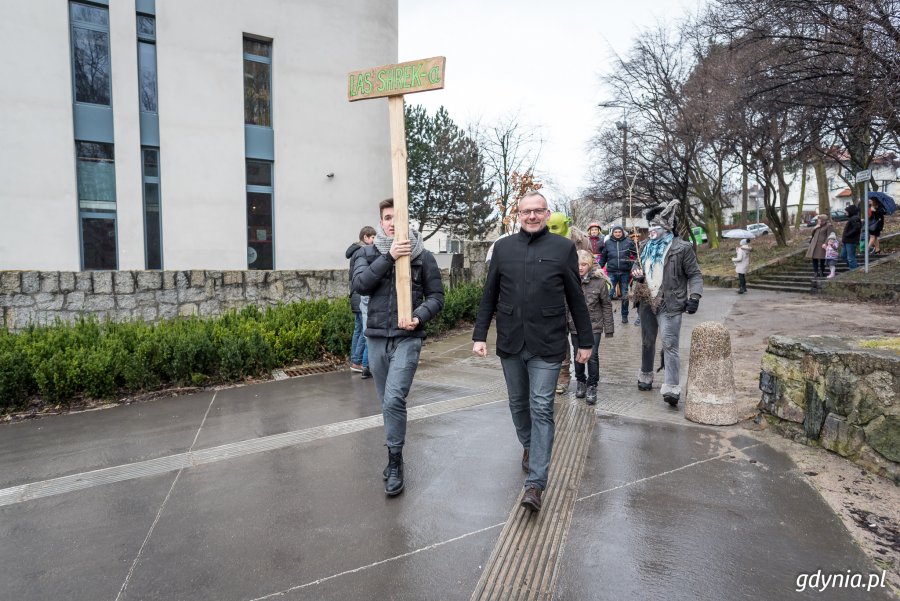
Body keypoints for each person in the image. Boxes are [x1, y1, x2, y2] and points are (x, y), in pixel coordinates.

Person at [472, 192, 593, 513]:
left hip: (548, 342)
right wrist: (480, 334)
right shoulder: (504, 247)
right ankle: (529, 446)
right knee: (517, 404)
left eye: (538, 211)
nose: (532, 216)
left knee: (541, 405)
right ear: (518, 214)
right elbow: (490, 294)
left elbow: (576, 297)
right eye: (526, 212)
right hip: (511, 340)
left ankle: (536, 483)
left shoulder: (564, 248)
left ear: (548, 213)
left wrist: (585, 340)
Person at [352, 198, 444, 497]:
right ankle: (395, 453)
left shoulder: (424, 257)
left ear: (407, 221)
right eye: (388, 217)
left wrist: (419, 316)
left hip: (408, 339)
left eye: (398, 217)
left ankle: (394, 463)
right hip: (376, 338)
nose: (393, 222)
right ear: (381, 222)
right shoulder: (365, 254)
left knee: (393, 399)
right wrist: (389, 256)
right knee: (387, 403)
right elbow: (361, 285)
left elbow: (437, 298)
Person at [630, 200, 703, 407]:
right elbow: (637, 265)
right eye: (650, 225)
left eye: (657, 226)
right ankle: (645, 374)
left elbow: (695, 275)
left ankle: (671, 387)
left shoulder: (682, 248)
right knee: (647, 341)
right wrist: (636, 272)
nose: (652, 229)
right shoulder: (643, 246)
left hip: (670, 303)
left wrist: (695, 296)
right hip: (646, 301)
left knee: (670, 344)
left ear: (668, 226)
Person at [545, 212, 591, 395]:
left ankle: (581, 377)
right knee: (558, 336)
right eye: (549, 228)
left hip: (576, 292)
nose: (551, 231)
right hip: (553, 294)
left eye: (554, 228)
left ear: (565, 224)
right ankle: (561, 376)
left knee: (577, 337)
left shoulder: (581, 240)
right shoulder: (544, 238)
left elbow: (590, 262)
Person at [568, 249, 614, 405]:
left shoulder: (599, 282)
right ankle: (580, 381)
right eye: (577, 264)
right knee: (578, 354)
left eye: (583, 264)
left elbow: (607, 306)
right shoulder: (569, 280)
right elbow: (564, 304)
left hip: (594, 325)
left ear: (589, 265)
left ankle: (592, 385)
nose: (580, 267)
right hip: (574, 325)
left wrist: (609, 328)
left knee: (592, 356)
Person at [346, 226, 376, 378]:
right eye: (372, 238)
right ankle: (364, 364)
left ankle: (355, 361)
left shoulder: (354, 252)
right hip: (361, 295)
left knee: (358, 330)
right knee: (366, 331)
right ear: (365, 237)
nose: (374, 241)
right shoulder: (363, 252)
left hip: (354, 295)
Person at [599, 225, 637, 323]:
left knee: (624, 294)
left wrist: (635, 265)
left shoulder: (628, 242)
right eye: (615, 232)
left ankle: (624, 316)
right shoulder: (607, 243)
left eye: (619, 232)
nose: (617, 233)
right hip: (611, 272)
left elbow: (636, 254)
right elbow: (603, 257)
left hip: (625, 272)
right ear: (612, 233)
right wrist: (598, 268)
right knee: (609, 294)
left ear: (622, 232)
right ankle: (605, 317)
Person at [840, 204, 861, 270]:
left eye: (846, 211)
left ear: (850, 211)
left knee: (850, 257)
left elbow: (857, 228)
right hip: (846, 241)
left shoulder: (855, 218)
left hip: (851, 241)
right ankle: (855, 267)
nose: (845, 213)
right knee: (843, 255)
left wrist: (848, 234)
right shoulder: (852, 218)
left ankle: (854, 269)